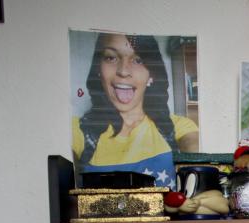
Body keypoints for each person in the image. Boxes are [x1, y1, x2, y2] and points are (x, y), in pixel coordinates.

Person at [72, 32, 199, 188]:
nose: (123, 71)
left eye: (138, 60)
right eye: (111, 57)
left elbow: (197, 156)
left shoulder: (178, 127)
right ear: (98, 69)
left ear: (151, 74)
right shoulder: (78, 131)